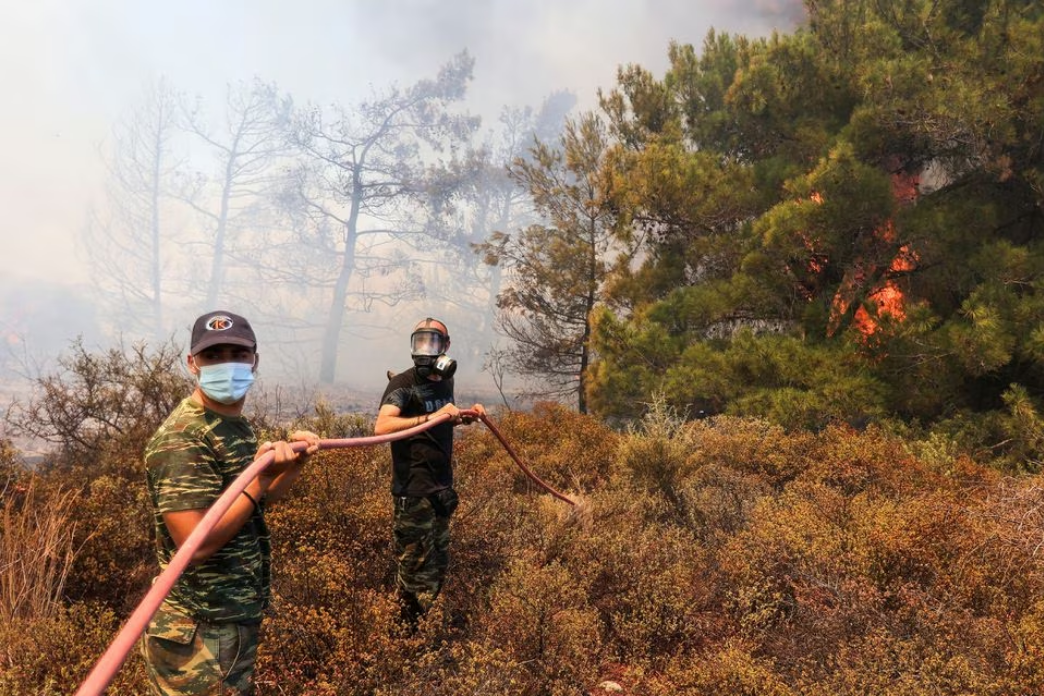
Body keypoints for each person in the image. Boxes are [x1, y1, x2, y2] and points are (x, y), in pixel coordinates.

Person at [141, 310, 320, 695]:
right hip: (198, 632)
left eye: (237, 354)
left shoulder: (231, 425)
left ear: (255, 360)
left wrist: (292, 467)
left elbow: (253, 503)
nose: (228, 365)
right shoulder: (183, 438)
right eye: (213, 355)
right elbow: (197, 543)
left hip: (227, 621)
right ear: (192, 364)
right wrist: (261, 478)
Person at [374, 317, 485, 630]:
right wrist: (434, 416)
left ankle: (418, 635)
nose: (425, 349)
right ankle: (402, 641)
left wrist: (464, 417)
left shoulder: (444, 381)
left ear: (445, 347)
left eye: (432, 342)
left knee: (437, 567)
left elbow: (442, 418)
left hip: (441, 492)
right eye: (420, 342)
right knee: (413, 572)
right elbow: (382, 427)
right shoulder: (402, 385)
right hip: (414, 493)